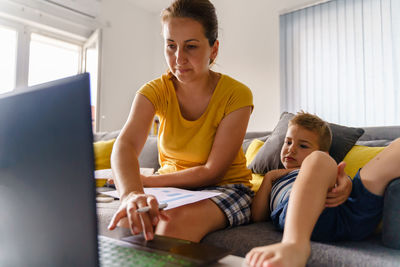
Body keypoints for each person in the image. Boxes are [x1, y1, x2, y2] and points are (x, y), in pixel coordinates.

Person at [107, 0, 254, 243]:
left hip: (226, 187)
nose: (178, 58)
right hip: (173, 190)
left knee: (172, 225)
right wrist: (131, 194)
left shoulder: (237, 94)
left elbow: (212, 172)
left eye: (191, 46)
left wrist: (146, 180)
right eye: (171, 46)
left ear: (213, 50)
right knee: (130, 218)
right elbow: (125, 145)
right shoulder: (154, 91)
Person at [246, 111, 400, 267]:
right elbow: (257, 217)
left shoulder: (321, 161)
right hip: (303, 216)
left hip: (347, 209)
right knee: (318, 160)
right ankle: (294, 245)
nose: (291, 149)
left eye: (303, 145)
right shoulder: (274, 177)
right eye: (288, 142)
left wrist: (346, 182)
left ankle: (294, 244)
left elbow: (326, 169)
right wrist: (269, 178)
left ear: (325, 152)